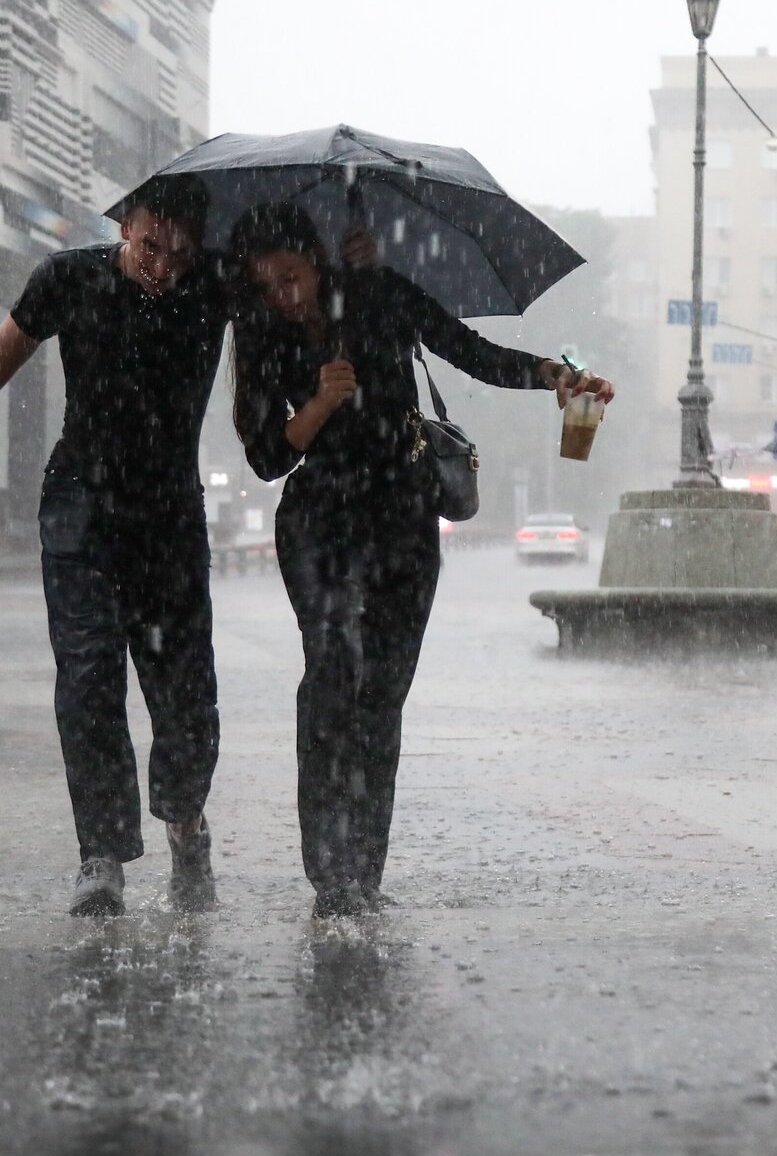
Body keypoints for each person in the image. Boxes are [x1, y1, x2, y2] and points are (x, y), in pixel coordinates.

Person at [227, 203, 614, 919]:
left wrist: (567, 373)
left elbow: (473, 352)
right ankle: (329, 875)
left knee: (382, 696)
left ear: (316, 260)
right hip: (318, 524)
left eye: (292, 276)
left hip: (402, 520)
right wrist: (317, 403)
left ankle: (362, 874)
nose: (283, 294)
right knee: (332, 672)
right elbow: (265, 455)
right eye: (266, 285)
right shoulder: (256, 332)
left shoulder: (381, 292)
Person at [0, 177, 224, 916]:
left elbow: (299, 293)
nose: (162, 265)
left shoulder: (214, 289)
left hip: (169, 517)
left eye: (179, 252)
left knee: (183, 692)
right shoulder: (69, 278)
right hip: (80, 506)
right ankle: (101, 854)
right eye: (149, 245)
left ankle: (186, 825)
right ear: (125, 226)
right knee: (90, 676)